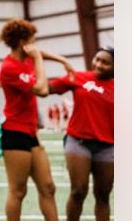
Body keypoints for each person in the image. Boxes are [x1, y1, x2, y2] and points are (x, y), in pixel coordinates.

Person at [0, 18, 76, 221]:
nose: (35, 46)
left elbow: (39, 53)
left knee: (48, 187)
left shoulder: (28, 58)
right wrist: (38, 60)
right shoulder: (9, 67)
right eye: (32, 41)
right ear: (24, 42)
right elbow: (41, 90)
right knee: (18, 191)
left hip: (31, 132)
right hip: (14, 132)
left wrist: (62, 60)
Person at [49, 46, 114, 221]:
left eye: (105, 63)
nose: (99, 65)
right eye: (97, 59)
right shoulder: (79, 78)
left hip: (108, 147)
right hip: (78, 142)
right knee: (78, 191)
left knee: (103, 196)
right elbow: (44, 89)